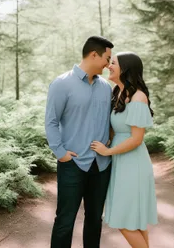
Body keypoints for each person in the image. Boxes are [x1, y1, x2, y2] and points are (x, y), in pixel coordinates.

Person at [45, 36, 114, 248]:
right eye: (107, 58)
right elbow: (51, 121)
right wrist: (61, 153)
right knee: (65, 221)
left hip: (101, 165)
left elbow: (111, 120)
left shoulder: (106, 88)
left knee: (94, 220)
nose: (109, 64)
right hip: (72, 164)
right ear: (94, 54)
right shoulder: (62, 83)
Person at [91, 51, 158, 248]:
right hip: (121, 162)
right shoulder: (118, 93)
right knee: (134, 221)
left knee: (124, 220)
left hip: (133, 164)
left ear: (126, 69)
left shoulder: (138, 97)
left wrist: (107, 151)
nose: (109, 66)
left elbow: (137, 139)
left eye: (113, 63)